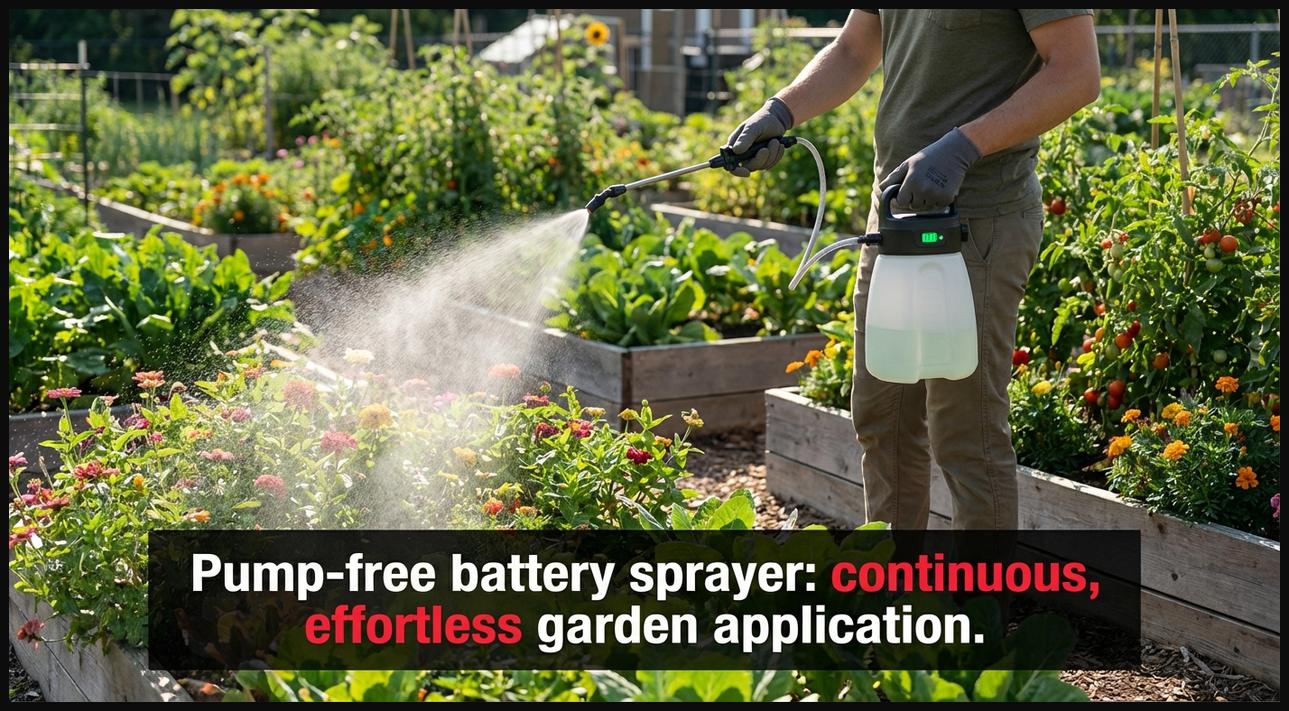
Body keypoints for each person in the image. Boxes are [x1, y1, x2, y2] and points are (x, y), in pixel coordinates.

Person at [727, 10, 1100, 529]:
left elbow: (1077, 74)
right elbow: (855, 48)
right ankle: (891, 573)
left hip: (976, 222)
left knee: (967, 437)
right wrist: (780, 110)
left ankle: (981, 585)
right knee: (884, 420)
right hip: (893, 218)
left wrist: (964, 147)